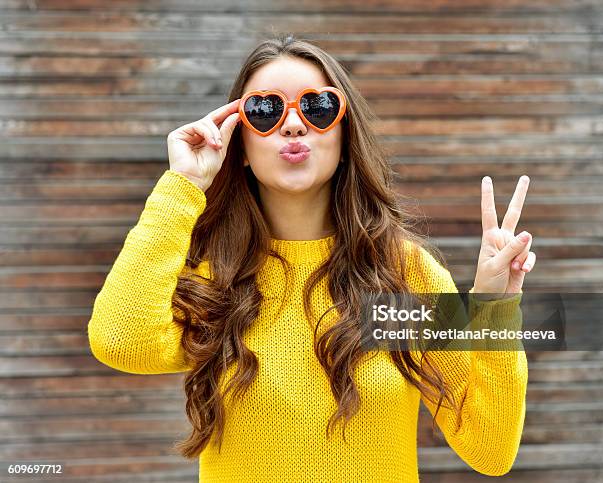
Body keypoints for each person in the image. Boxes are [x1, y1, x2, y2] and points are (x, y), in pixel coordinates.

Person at [88, 34, 535, 482]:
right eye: (265, 111)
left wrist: (493, 306)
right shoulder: (217, 277)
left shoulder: (402, 274)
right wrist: (182, 185)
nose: (294, 125)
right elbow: (120, 340)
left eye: (317, 107)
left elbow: (489, 449)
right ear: (239, 146)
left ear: (344, 134)